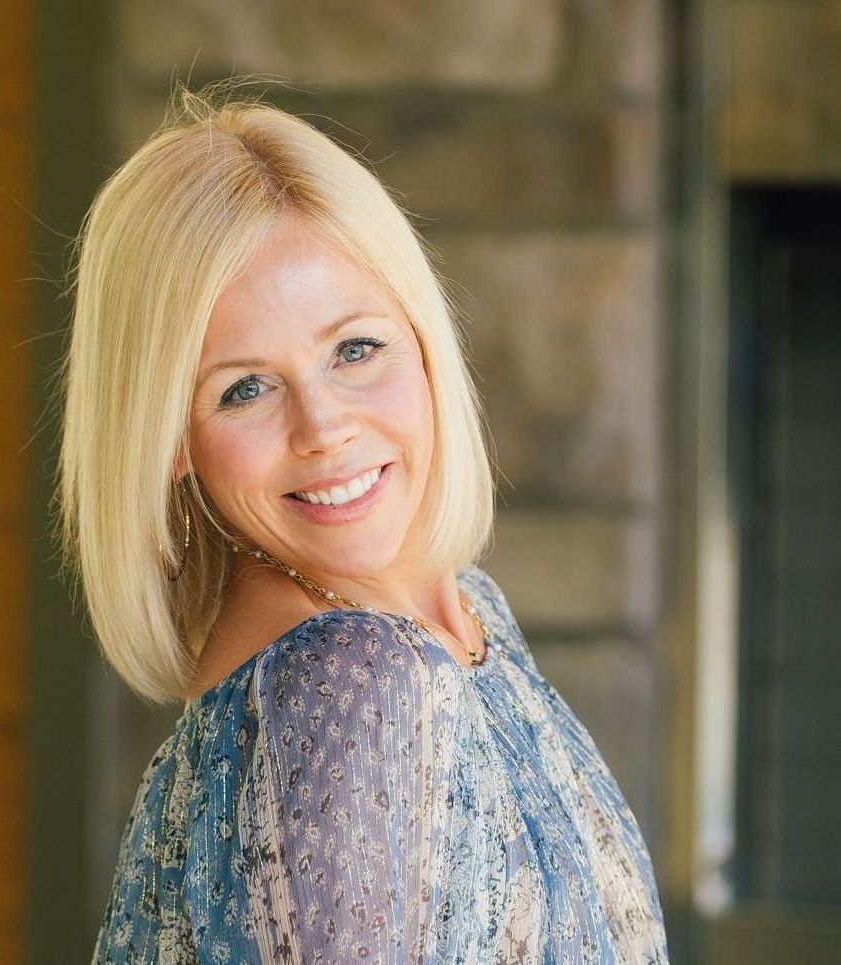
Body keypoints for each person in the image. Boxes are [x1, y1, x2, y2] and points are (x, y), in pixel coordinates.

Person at [58, 79, 670, 964]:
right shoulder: (347, 684)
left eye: (354, 347)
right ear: (171, 442)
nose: (325, 429)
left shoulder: (461, 616)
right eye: (244, 388)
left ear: (421, 339)